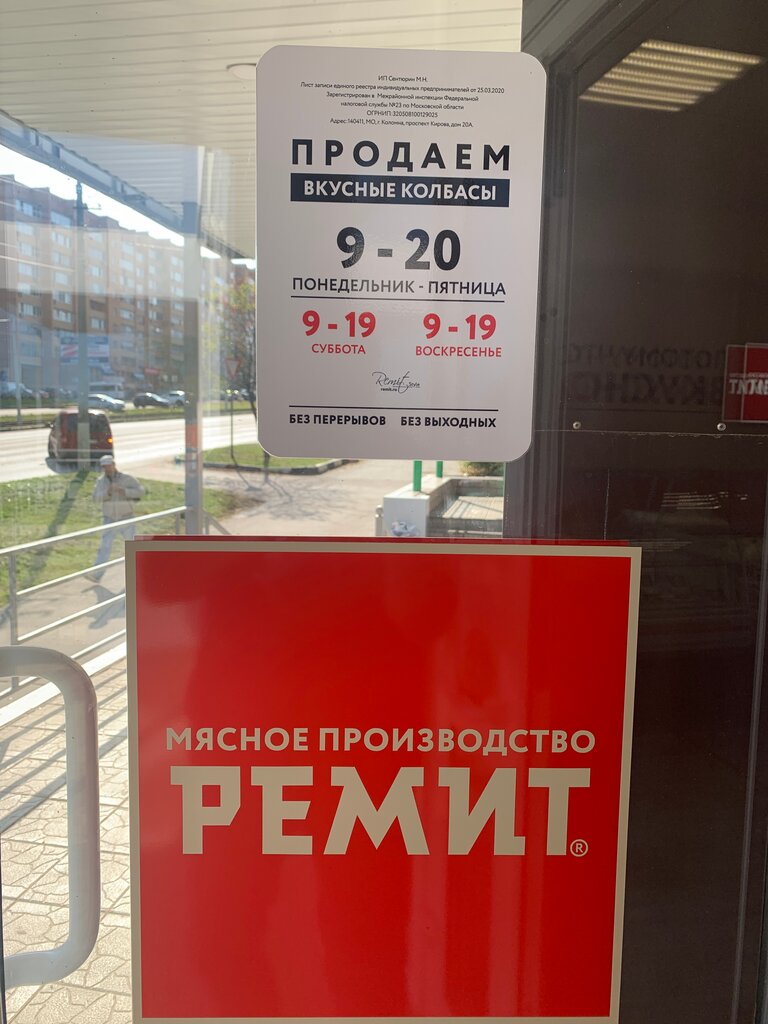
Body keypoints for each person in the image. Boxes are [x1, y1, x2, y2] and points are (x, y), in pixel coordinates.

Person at [88, 454, 145, 581]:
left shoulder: (127, 478)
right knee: (105, 547)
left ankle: (139, 574)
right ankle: (97, 575)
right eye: (104, 467)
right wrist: (107, 492)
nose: (107, 469)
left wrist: (124, 491)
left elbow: (141, 491)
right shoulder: (100, 481)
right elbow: (95, 498)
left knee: (132, 547)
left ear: (114, 465)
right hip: (110, 519)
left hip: (127, 518)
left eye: (108, 466)